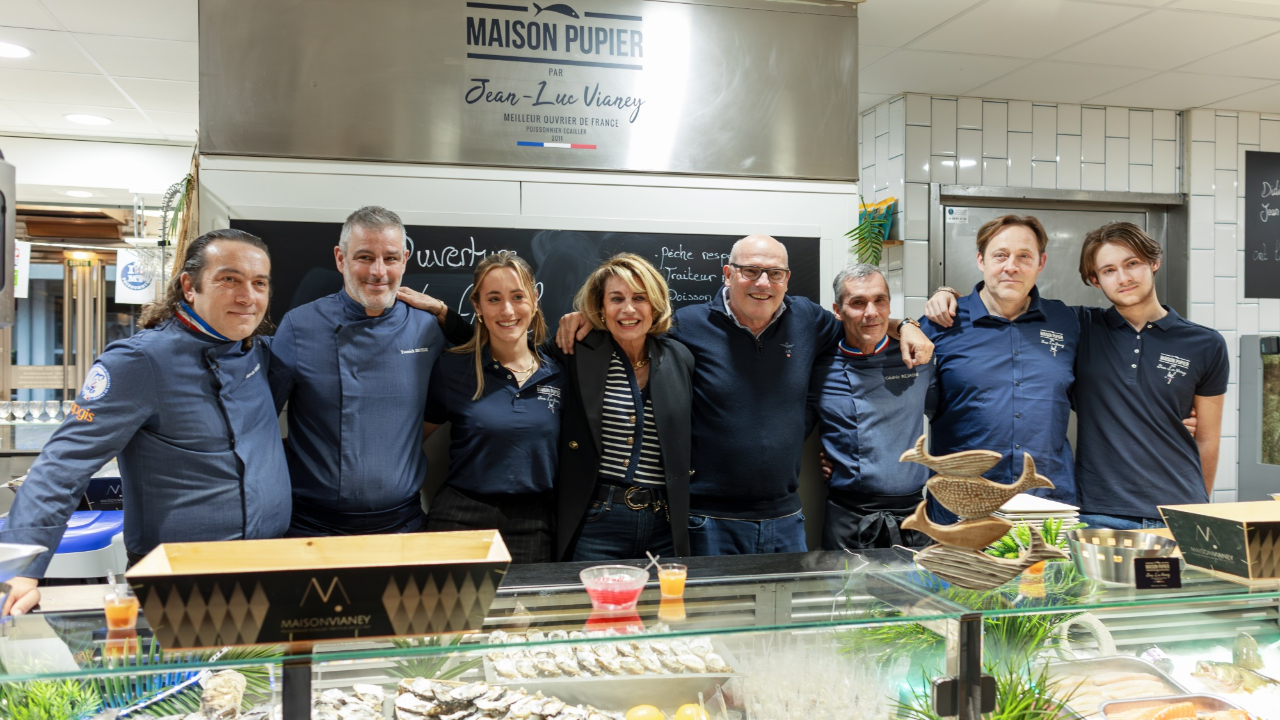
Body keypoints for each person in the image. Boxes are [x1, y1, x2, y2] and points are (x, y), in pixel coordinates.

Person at [556, 234, 934, 555]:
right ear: (728, 274)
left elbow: (862, 321)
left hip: (785, 516)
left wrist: (909, 325)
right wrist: (589, 318)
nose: (763, 283)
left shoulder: (808, 319)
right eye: (750, 271)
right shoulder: (686, 325)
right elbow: (632, 327)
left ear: (787, 278)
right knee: (711, 622)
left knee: (782, 625)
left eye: (774, 273)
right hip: (706, 519)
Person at [0, 229, 290, 615]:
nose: (247, 297)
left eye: (259, 283)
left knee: (256, 677)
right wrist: (20, 568)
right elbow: (63, 466)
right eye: (229, 279)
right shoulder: (139, 363)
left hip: (269, 563)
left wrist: (398, 307)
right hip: (178, 579)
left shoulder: (259, 353)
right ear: (190, 286)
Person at [930, 223, 1226, 529]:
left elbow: (1207, 437)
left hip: (1177, 510)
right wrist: (935, 302)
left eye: (1132, 264)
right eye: (1109, 270)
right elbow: (1005, 309)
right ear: (1095, 281)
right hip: (1099, 513)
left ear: (1154, 263)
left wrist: (1197, 510)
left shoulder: (1206, 343)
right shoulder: (1077, 325)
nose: (1123, 278)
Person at [268, 206, 469, 537]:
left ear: (404, 259)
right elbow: (259, 422)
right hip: (311, 527)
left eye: (390, 258)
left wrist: (443, 310)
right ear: (340, 258)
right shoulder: (299, 326)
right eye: (364, 257)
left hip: (401, 524)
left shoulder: (427, 329)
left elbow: (495, 358)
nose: (379, 271)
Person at [919, 215, 1079, 520]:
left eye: (1024, 256)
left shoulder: (1068, 321)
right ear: (981, 260)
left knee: (1047, 571)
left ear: (1041, 262)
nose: (1011, 266)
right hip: (962, 504)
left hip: (1046, 501)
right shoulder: (940, 323)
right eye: (1000, 255)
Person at [416, 252, 564, 564]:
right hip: (460, 518)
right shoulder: (452, 368)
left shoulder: (563, 372)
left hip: (534, 524)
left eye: (518, 296)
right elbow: (411, 444)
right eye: (494, 298)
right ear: (478, 306)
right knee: (448, 613)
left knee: (524, 614)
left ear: (535, 300)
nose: (507, 310)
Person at [556, 254, 695, 561]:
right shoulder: (576, 351)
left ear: (655, 304)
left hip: (664, 524)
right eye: (616, 298)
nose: (628, 309)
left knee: (660, 609)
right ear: (600, 308)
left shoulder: (679, 357)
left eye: (640, 298)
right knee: (594, 608)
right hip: (596, 521)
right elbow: (509, 349)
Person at [808, 263, 936, 550]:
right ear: (837, 310)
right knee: (842, 596)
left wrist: (908, 323)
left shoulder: (919, 355)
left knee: (914, 596)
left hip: (914, 516)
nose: (871, 312)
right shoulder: (818, 366)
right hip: (848, 518)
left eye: (880, 300)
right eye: (857, 302)